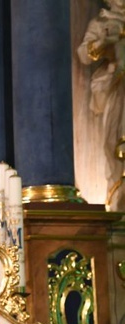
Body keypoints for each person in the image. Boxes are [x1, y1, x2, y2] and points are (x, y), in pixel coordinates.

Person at [77, 1, 125, 211]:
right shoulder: (101, 21)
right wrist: (102, 43)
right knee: (115, 145)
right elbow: (83, 54)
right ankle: (118, 208)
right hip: (116, 86)